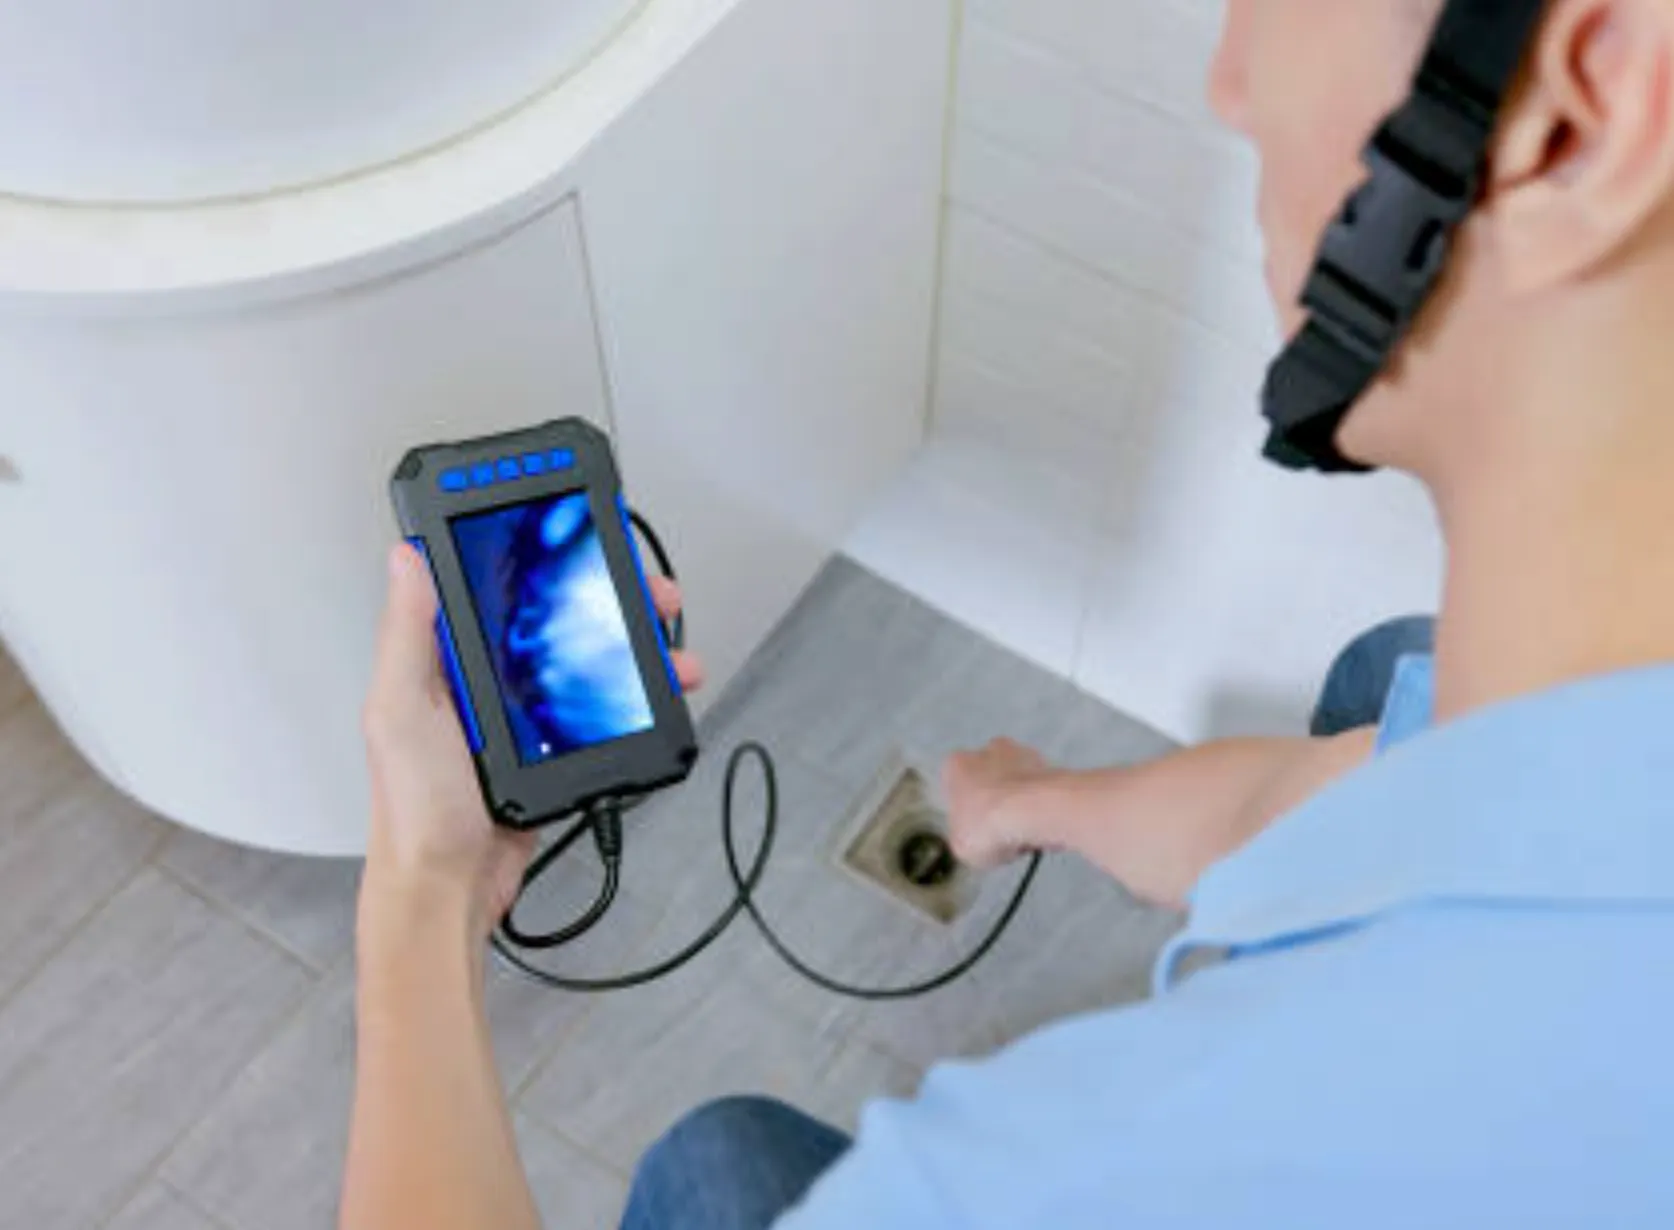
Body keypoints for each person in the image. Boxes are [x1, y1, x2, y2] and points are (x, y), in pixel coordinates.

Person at [342, 0, 1674, 1226]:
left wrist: (420, 893)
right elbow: (1319, 793)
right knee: (1387, 672)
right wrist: (1030, 803)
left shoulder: (1059, 1175)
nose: (1228, 82)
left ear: (1591, 102)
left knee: (713, 1159)